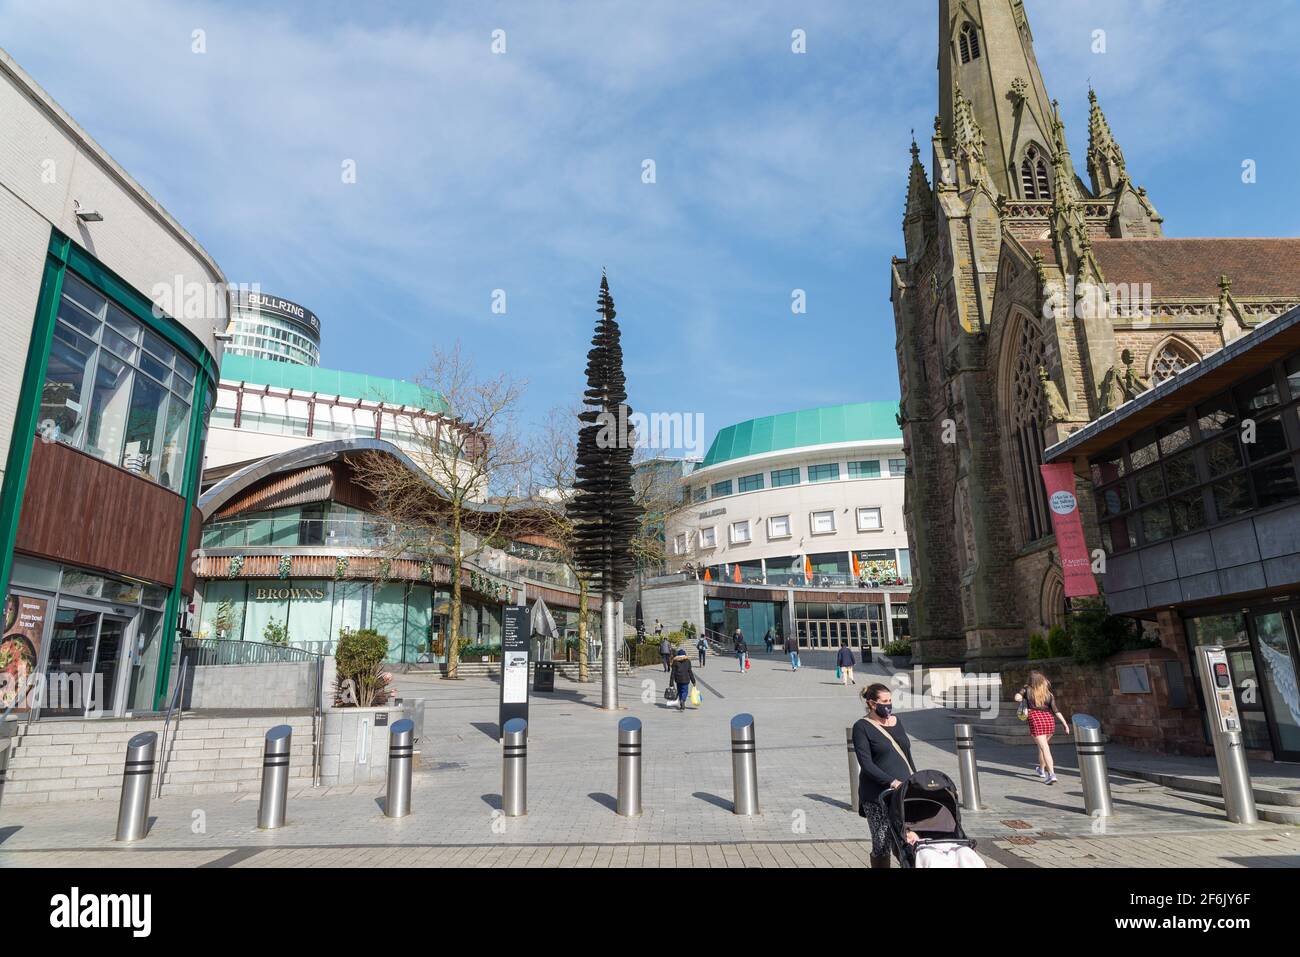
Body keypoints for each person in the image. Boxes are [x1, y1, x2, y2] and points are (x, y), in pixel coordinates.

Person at [853, 683, 919, 868]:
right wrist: (891, 781)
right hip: (877, 796)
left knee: (907, 841)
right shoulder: (862, 727)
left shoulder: (898, 722)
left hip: (903, 793)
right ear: (872, 704)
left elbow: (906, 754)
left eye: (890, 700)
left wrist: (914, 779)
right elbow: (866, 764)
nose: (888, 705)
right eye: (884, 701)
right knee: (882, 844)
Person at [1015, 670, 1070, 785]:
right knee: (1043, 747)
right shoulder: (1048, 694)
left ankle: (1052, 774)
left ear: (1031, 681)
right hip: (1049, 720)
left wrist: (1021, 697)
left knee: (1044, 748)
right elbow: (1056, 711)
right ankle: (1041, 769)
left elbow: (1017, 697)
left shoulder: (1027, 689)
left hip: (1036, 719)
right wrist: (1065, 724)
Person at [670, 646, 696, 712]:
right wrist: (693, 681)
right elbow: (690, 671)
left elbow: (672, 673)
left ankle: (682, 705)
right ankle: (682, 700)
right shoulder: (688, 661)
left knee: (680, 691)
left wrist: (671, 682)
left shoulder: (675, 662)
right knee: (685, 691)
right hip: (686, 679)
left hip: (678, 679)